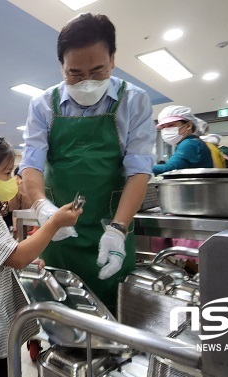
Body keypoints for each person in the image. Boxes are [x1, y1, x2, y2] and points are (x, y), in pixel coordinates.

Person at [19, 13, 155, 311]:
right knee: (61, 315)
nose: (86, 81)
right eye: (75, 73)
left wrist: (118, 229)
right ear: (61, 67)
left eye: (97, 71)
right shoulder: (42, 105)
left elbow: (139, 170)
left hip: (112, 226)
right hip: (59, 231)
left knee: (115, 320)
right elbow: (31, 163)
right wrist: (42, 206)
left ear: (113, 60)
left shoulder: (134, 101)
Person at [0, 132, 82, 376]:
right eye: (7, 173)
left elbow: (5, 257)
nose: (13, 180)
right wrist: (54, 223)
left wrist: (27, 261)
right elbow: (16, 256)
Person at [153, 106, 213, 175]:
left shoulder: (190, 144)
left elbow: (170, 168)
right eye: (163, 127)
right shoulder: (192, 142)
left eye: (171, 125)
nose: (166, 130)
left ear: (188, 125)